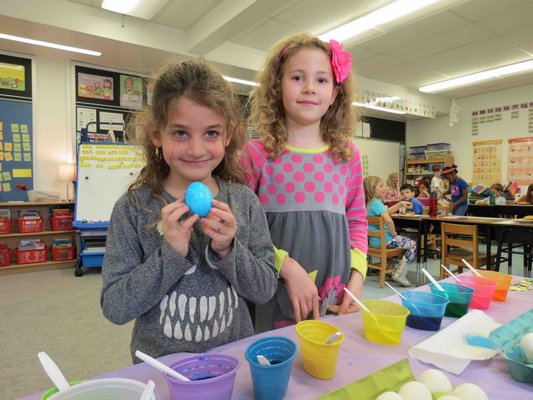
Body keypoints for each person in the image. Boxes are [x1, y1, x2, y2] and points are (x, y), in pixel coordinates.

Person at [101, 60, 277, 361]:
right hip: (163, 369)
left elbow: (264, 290)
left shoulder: (244, 202)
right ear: (157, 134)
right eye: (180, 133)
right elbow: (116, 307)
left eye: (211, 133)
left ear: (228, 135)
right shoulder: (134, 208)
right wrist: (169, 254)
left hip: (232, 361)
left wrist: (229, 249)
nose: (196, 149)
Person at [241, 33, 368, 332]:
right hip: (272, 291)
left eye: (322, 80)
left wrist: (357, 279)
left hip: (334, 296)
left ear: (336, 93)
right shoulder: (256, 154)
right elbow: (242, 229)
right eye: (298, 77)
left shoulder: (347, 156)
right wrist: (286, 267)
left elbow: (357, 221)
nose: (310, 88)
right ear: (277, 86)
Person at [364, 176, 416, 287]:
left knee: (403, 243)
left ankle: (392, 270)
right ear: (373, 189)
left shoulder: (372, 203)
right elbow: (388, 219)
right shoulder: (376, 203)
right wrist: (394, 234)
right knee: (413, 244)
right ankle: (400, 275)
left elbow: (387, 212)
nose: (384, 189)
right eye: (381, 186)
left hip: (375, 241)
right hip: (385, 240)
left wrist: (400, 203)